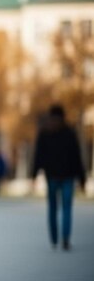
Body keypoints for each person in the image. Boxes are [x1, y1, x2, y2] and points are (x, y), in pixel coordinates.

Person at [32, 104, 86, 251]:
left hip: (53, 176)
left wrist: (34, 173)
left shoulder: (45, 133)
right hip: (66, 176)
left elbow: (39, 156)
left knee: (53, 208)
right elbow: (77, 158)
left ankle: (55, 239)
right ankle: (65, 239)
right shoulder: (69, 133)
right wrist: (82, 178)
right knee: (66, 208)